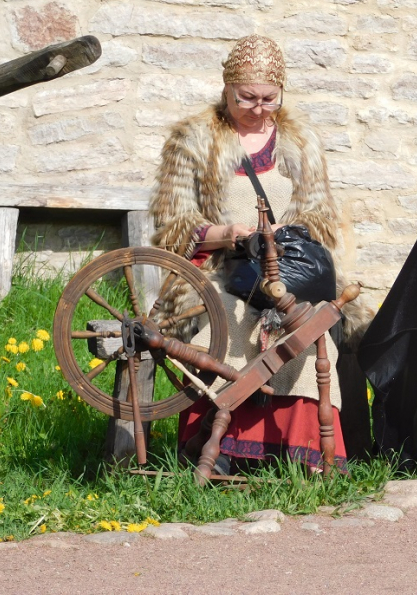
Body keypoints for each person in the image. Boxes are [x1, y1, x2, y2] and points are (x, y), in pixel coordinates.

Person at [149, 35, 372, 474]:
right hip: (217, 269)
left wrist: (284, 236)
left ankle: (302, 451)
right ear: (226, 88)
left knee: (309, 329)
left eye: (269, 98)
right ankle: (224, 452)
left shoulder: (300, 142)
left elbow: (319, 216)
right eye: (246, 97)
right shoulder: (194, 140)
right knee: (228, 317)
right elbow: (174, 227)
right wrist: (227, 233)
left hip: (287, 268)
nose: (258, 107)